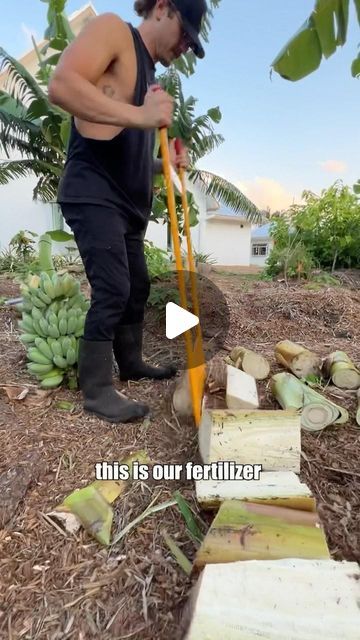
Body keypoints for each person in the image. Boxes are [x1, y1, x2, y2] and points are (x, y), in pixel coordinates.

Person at [48, 0, 208, 424]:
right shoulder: (113, 31)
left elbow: (126, 142)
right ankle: (97, 389)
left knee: (136, 286)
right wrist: (141, 114)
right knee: (114, 287)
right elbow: (62, 85)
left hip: (127, 203)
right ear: (162, 7)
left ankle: (131, 362)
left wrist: (164, 164)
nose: (186, 47)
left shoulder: (151, 76)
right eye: (186, 34)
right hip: (93, 191)